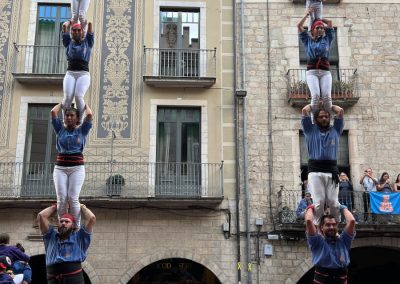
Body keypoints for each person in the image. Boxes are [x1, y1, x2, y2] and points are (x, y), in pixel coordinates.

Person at [51, 103, 93, 227]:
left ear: (77, 119)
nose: (69, 117)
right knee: (62, 198)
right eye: (67, 115)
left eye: (72, 115)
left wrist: (84, 105)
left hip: (77, 168)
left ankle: (75, 226)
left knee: (73, 197)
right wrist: (63, 103)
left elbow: (90, 115)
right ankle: (62, 224)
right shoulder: (59, 129)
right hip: (60, 168)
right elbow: (53, 112)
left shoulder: (82, 130)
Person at [301, 104, 344, 225]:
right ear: (315, 119)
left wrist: (328, 105)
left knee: (334, 203)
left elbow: (340, 111)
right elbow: (304, 111)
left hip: (332, 171)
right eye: (321, 117)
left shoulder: (336, 129)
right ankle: (317, 226)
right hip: (315, 171)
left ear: (330, 118)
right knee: (319, 202)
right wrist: (314, 105)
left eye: (326, 116)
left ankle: (337, 225)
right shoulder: (309, 130)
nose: (324, 118)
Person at [37, 203, 96, 283]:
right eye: (61, 221)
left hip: (74, 279)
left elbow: (92, 218)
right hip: (53, 279)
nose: (63, 223)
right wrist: (56, 206)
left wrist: (81, 206)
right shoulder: (50, 237)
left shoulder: (79, 237)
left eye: (67, 221)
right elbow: (41, 216)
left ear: (72, 226)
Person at [297, 10, 335, 117]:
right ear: (312, 30)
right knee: (316, 96)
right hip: (312, 72)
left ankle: (329, 121)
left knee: (327, 97)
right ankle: (315, 120)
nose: (321, 29)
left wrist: (318, 19)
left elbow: (330, 23)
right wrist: (307, 15)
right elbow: (299, 26)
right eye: (318, 28)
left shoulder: (327, 38)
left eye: (322, 28)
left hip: (325, 72)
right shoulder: (307, 40)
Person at [305, 204, 356, 284]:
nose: (331, 227)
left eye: (334, 225)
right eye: (328, 225)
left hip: (341, 278)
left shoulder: (344, 240)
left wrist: (343, 208)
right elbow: (308, 221)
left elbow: (352, 221)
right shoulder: (317, 241)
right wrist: (311, 207)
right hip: (322, 278)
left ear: (337, 227)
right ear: (322, 227)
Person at [61, 19, 94, 124]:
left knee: (78, 96)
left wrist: (83, 21)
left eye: (79, 30)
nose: (76, 32)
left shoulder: (88, 42)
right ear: (71, 32)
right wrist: (70, 21)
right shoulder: (68, 42)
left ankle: (79, 120)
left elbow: (90, 24)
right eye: (74, 30)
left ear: (82, 32)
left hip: (83, 74)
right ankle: (65, 120)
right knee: (67, 97)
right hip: (70, 73)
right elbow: (64, 26)